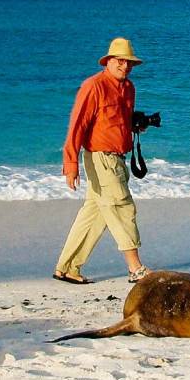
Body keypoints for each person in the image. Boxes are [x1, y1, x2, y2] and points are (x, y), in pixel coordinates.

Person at [53, 37, 151, 285]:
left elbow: (118, 121)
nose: (125, 66)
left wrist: (136, 125)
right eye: (120, 61)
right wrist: (71, 163)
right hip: (100, 158)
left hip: (118, 158)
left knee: (94, 215)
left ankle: (67, 268)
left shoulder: (129, 88)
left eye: (129, 63)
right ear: (108, 61)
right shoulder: (93, 86)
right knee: (122, 207)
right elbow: (78, 125)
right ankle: (135, 268)